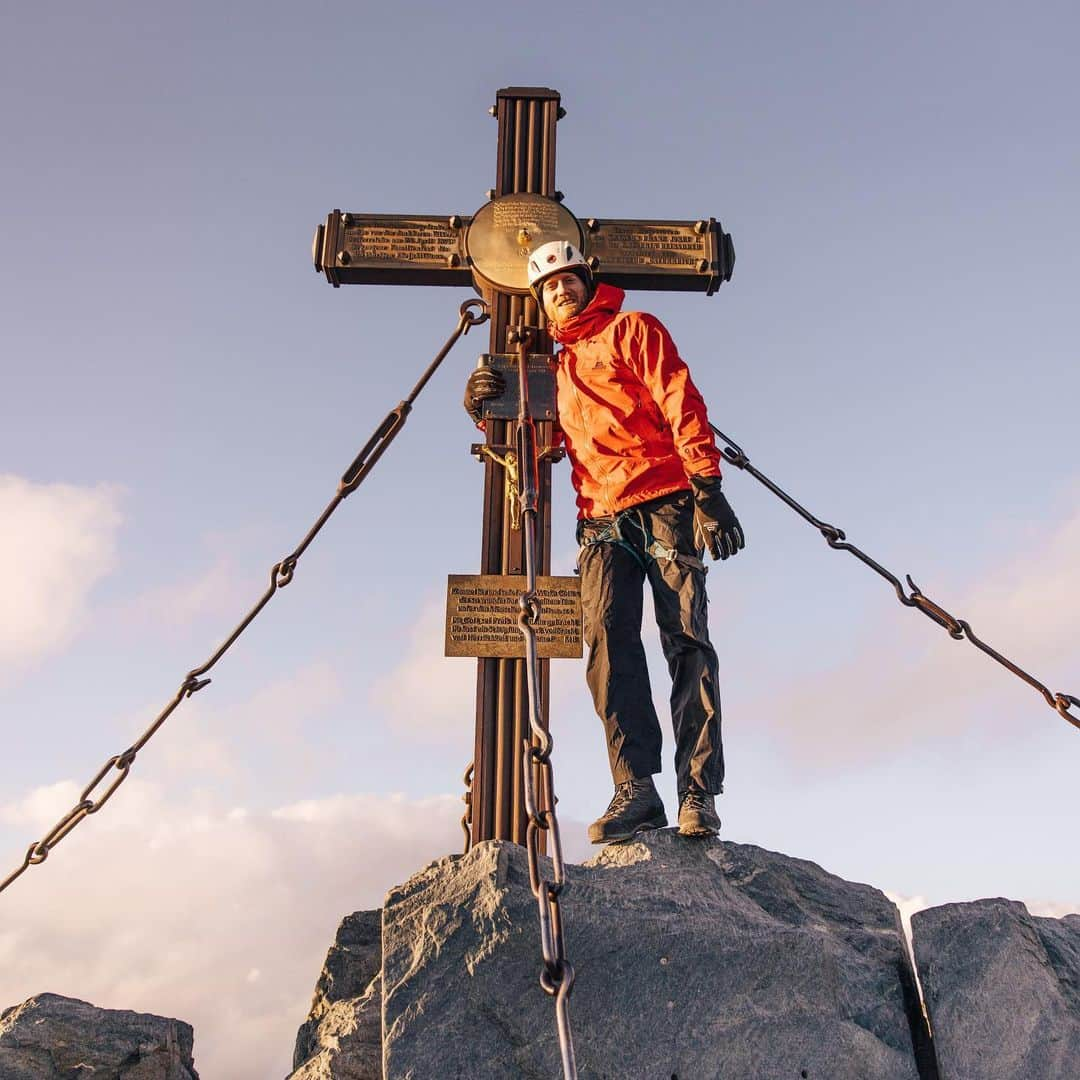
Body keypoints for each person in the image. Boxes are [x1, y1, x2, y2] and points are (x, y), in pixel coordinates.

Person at [464, 241, 744, 843]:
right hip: (599, 520)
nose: (559, 290)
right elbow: (529, 446)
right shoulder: (554, 369)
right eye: (547, 286)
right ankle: (636, 789)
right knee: (608, 645)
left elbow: (679, 398)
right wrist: (480, 405)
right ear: (539, 301)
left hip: (666, 501)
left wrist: (708, 488)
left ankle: (698, 792)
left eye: (567, 279)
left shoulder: (634, 330)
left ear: (587, 282)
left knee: (687, 639)